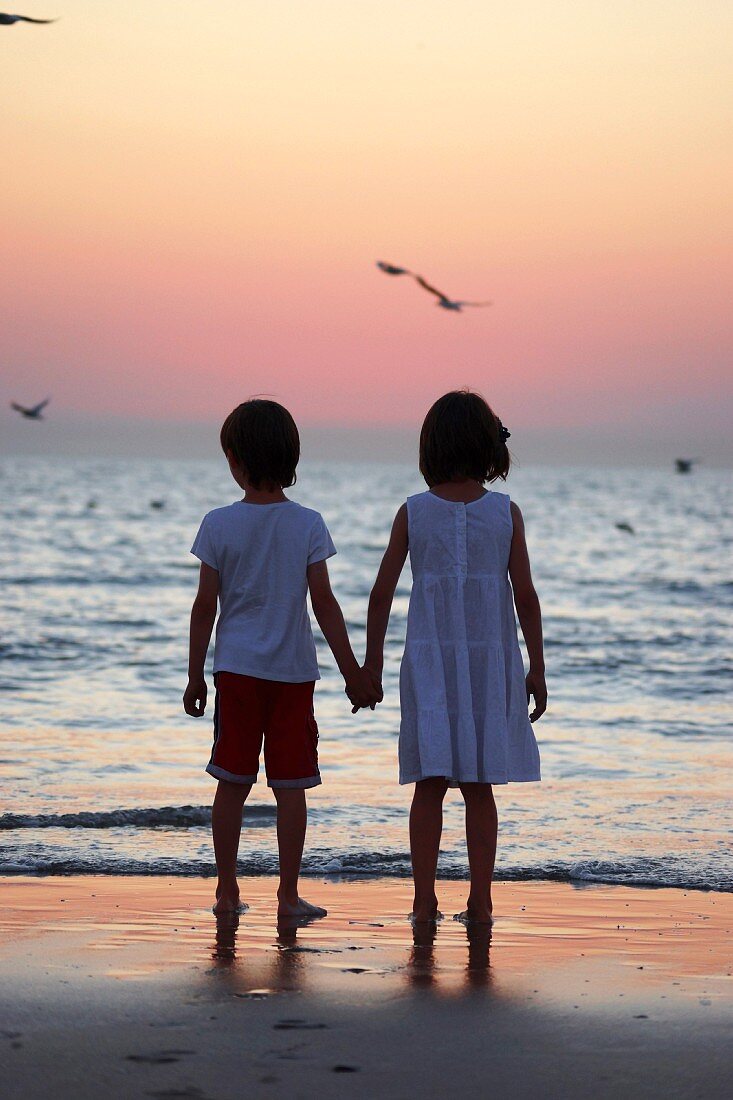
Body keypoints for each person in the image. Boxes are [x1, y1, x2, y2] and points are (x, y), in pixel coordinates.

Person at [183, 399, 380, 917]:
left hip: (236, 673)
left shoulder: (218, 524)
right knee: (291, 788)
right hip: (293, 675)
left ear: (238, 462)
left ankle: (227, 891)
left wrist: (195, 675)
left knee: (231, 784)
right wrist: (353, 672)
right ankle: (288, 895)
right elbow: (325, 604)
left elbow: (205, 607)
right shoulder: (308, 523)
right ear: (290, 456)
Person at [362, 390, 545, 923]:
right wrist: (537, 667)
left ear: (431, 448)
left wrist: (371, 666)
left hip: (429, 662)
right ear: (488, 446)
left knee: (429, 786)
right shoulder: (505, 513)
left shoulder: (414, 512)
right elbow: (526, 596)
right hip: (492, 662)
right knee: (480, 787)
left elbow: (381, 595)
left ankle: (424, 900)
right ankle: (481, 898)